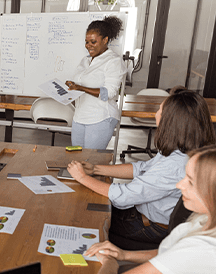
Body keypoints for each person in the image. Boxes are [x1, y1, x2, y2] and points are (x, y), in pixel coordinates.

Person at [84, 144, 216, 274]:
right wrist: (124, 255)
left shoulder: (204, 249)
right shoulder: (206, 217)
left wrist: (109, 260)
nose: (180, 185)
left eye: (190, 181)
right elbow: (172, 255)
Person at [67, 90, 215, 250]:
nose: (155, 114)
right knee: (89, 204)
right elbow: (141, 169)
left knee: (82, 215)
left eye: (160, 110)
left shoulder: (173, 165)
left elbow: (123, 196)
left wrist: (82, 178)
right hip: (143, 214)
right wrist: (96, 169)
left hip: (147, 225)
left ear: (171, 121)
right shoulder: (183, 150)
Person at [65, 15, 126, 149]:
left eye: (93, 42)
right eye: (87, 42)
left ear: (105, 40)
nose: (88, 46)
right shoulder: (85, 60)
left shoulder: (114, 61)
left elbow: (109, 93)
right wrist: (69, 90)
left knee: (90, 161)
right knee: (76, 159)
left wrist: (81, 88)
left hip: (100, 118)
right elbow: (78, 86)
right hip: (79, 117)